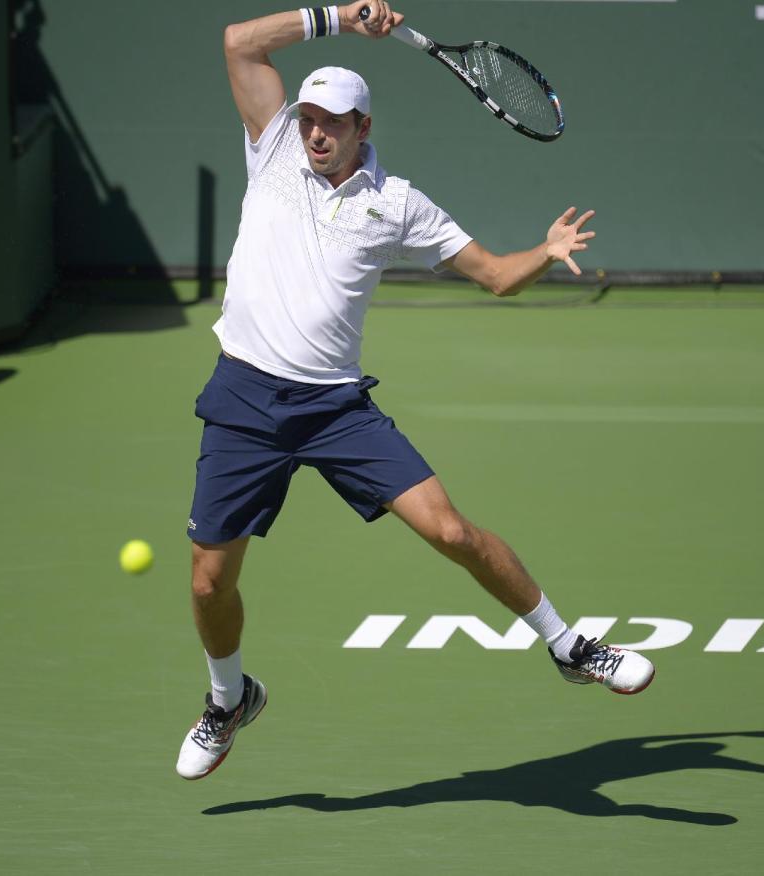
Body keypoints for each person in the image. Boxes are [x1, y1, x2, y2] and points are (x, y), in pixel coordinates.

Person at [177, 0, 654, 781]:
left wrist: (545, 250)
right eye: (307, 118)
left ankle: (569, 645)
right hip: (246, 397)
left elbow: (497, 276)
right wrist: (335, 16)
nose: (316, 132)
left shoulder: (398, 203)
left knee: (452, 534)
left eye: (333, 120)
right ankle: (229, 698)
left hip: (334, 408)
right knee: (207, 577)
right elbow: (238, 41)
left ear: (365, 127)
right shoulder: (271, 151)